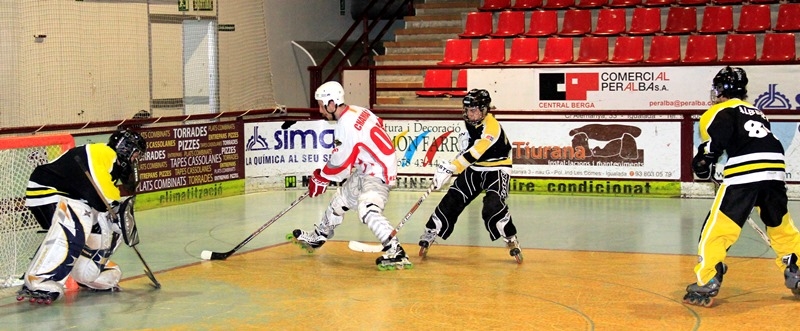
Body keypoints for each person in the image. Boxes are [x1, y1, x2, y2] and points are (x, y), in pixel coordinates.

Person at [683, 66, 800, 307]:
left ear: (721, 90)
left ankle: (709, 277)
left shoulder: (718, 111)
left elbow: (717, 141)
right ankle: (796, 269)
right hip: (775, 172)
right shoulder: (758, 111)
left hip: (744, 174)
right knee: (781, 227)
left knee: (716, 230)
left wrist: (703, 161)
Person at [288, 81, 410, 270]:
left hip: (378, 172)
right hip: (368, 167)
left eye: (322, 105)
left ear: (332, 103)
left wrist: (320, 178)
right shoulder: (356, 110)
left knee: (368, 209)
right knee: (341, 200)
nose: (320, 110)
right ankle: (319, 236)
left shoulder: (346, 125)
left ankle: (397, 251)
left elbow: (340, 164)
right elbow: (378, 124)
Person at [18, 129, 146, 303]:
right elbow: (102, 197)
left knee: (103, 228)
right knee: (78, 221)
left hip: (72, 196)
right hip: (51, 191)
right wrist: (115, 210)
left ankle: (88, 274)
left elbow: (105, 200)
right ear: (126, 148)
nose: (136, 159)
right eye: (136, 154)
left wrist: (116, 217)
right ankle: (39, 279)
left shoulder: (111, 167)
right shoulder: (104, 152)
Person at [417, 89, 522, 264]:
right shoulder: (469, 124)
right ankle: (431, 231)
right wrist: (448, 167)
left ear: (484, 110)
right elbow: (466, 151)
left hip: (497, 169)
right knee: (453, 197)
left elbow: (476, 151)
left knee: (492, 205)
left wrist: (452, 168)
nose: (470, 114)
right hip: (475, 169)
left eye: (474, 110)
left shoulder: (492, 126)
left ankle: (510, 237)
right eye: (467, 110)